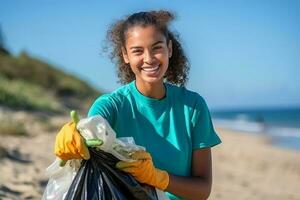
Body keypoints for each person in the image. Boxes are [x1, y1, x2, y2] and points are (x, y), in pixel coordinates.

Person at [55, 10, 221, 200]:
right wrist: (76, 135)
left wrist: (158, 178)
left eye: (157, 48)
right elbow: (92, 129)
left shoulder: (193, 106)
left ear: (169, 49)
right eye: (138, 51)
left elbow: (202, 190)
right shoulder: (112, 105)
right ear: (125, 55)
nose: (149, 58)